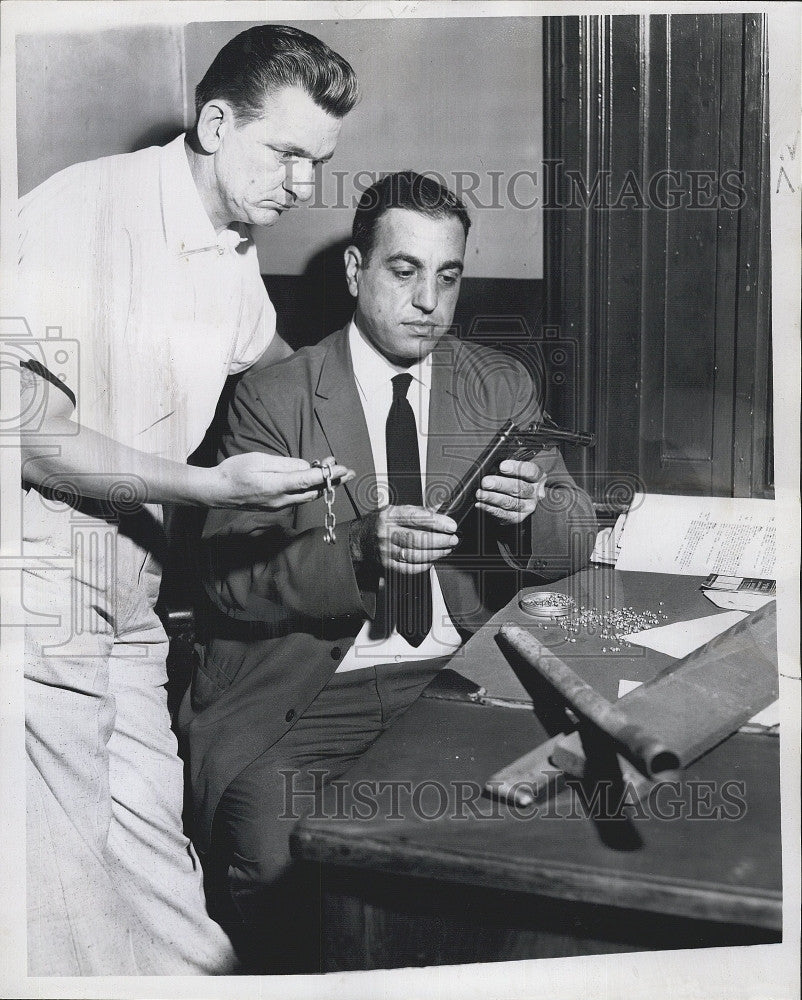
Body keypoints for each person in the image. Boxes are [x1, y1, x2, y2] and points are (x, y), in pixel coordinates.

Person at [180, 171, 598, 970]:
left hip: (456, 683)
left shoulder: (498, 386)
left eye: (447, 277)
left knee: (526, 866)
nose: (427, 301)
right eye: (404, 271)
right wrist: (359, 553)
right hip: (304, 696)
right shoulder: (275, 396)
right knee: (280, 877)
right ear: (354, 273)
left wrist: (533, 509)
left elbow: (574, 543)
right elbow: (226, 577)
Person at [16, 24, 357, 975]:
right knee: (67, 891)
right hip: (37, 579)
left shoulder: (227, 244)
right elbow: (24, 433)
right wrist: (209, 485)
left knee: (158, 861)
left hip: (128, 588)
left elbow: (274, 366)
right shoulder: (84, 210)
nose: (303, 184)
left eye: (317, 162)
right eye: (285, 153)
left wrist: (379, 406)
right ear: (214, 122)